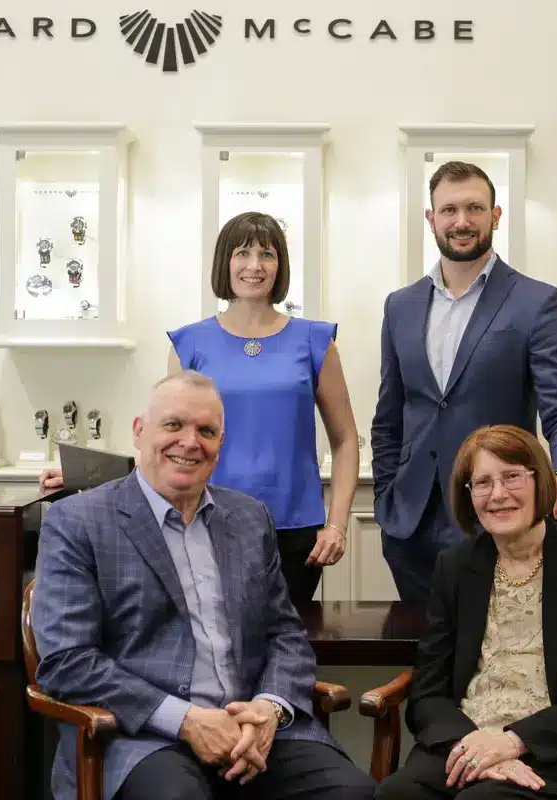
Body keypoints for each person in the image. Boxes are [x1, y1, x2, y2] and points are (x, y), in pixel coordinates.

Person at [32, 371, 377, 800]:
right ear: (140, 431)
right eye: (174, 425)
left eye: (206, 431)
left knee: (355, 794)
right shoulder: (78, 522)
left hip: (253, 726)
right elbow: (68, 661)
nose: (190, 442)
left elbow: (285, 634)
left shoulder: (249, 518)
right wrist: (186, 720)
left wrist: (269, 708)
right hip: (142, 735)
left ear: (220, 444)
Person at [40, 211, 359, 604]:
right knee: (210, 647)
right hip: (202, 523)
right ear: (225, 262)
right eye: (242, 253)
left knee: (280, 649)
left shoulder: (315, 342)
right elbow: (167, 440)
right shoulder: (189, 344)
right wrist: (85, 479)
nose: (254, 266)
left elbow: (344, 441)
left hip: (294, 532)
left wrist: (338, 525)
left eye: (267, 254)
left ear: (281, 265)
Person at [374, 425, 557, 800]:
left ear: (540, 481)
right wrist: (475, 746)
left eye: (512, 477)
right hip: (465, 743)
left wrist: (514, 742)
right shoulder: (455, 567)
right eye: (482, 483)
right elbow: (427, 692)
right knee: (395, 796)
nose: (497, 495)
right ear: (469, 497)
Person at [371, 160, 557, 604]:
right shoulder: (401, 306)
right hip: (410, 525)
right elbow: (389, 416)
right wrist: (385, 494)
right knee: (426, 659)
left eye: (475, 208)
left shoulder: (536, 302)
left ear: (495, 215)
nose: (461, 221)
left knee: (493, 656)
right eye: (449, 210)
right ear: (431, 219)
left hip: (496, 512)